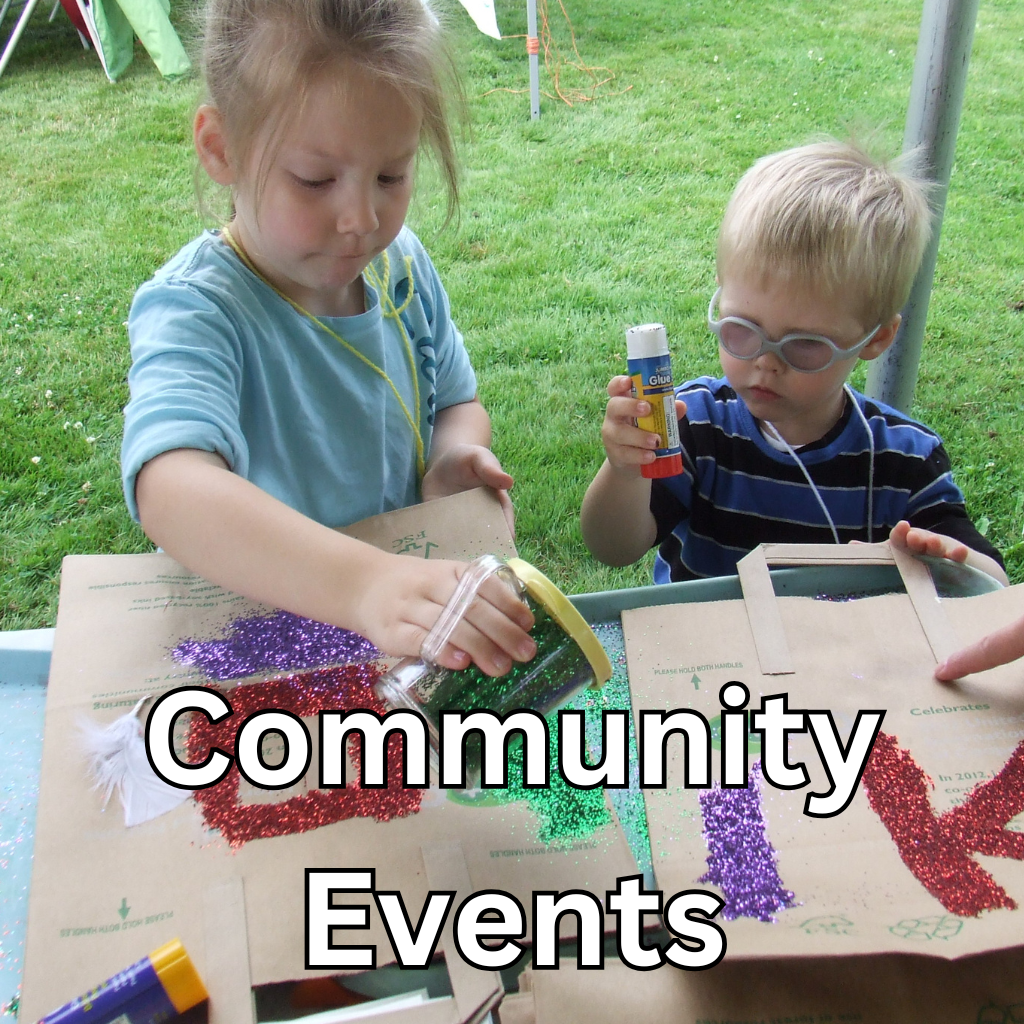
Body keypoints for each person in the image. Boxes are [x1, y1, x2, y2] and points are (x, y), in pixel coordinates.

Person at [121, 0, 536, 676]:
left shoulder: (400, 267)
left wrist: (454, 454)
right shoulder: (200, 308)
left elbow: (457, 400)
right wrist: (361, 584)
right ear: (222, 148)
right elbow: (170, 487)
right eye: (315, 180)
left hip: (391, 642)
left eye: (391, 175)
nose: (361, 219)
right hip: (255, 646)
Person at [581, 139, 1007, 587]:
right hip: (708, 649)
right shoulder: (697, 424)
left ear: (875, 338)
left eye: (804, 344)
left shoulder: (904, 460)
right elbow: (612, 548)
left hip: (837, 652)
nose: (765, 363)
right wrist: (626, 471)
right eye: (741, 329)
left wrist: (941, 561)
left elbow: (989, 581)